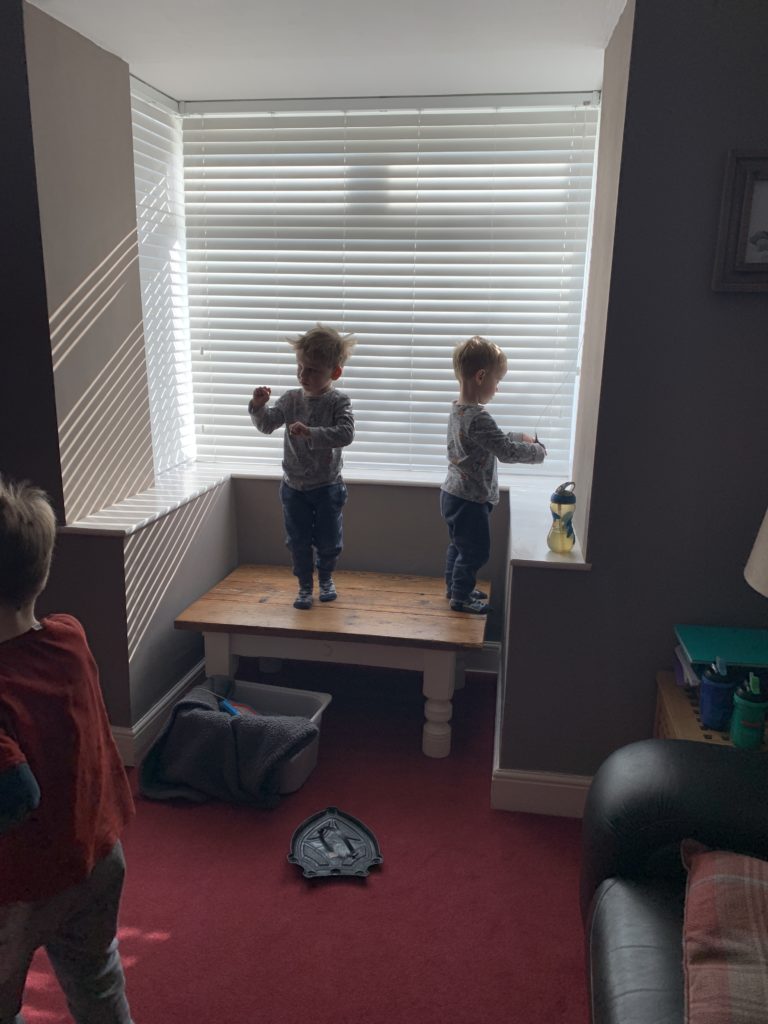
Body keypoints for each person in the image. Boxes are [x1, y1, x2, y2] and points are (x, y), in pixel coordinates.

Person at [0, 477, 135, 1024]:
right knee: (96, 978)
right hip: (97, 856)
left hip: (20, 887)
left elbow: (15, 794)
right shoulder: (70, 636)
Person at [249, 324, 357, 609]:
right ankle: (304, 587)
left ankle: (325, 579)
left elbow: (346, 434)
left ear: (334, 373)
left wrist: (312, 432)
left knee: (329, 540)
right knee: (297, 541)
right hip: (293, 486)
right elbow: (267, 425)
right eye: (300, 367)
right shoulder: (290, 399)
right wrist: (258, 406)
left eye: (312, 370)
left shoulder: (338, 401)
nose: (303, 375)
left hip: (327, 486)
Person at [441, 336, 547, 614]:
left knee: (459, 546)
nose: (497, 389)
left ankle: (455, 588)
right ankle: (460, 598)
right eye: (497, 381)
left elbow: (489, 441)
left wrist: (519, 436)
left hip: (453, 495)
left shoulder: (458, 410)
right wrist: (537, 452)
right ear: (480, 376)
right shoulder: (479, 417)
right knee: (476, 552)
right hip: (469, 500)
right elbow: (505, 451)